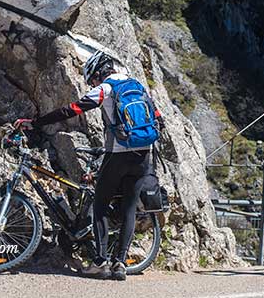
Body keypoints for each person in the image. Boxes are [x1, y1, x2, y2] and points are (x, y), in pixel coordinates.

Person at [14, 50, 162, 281]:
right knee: (130, 207)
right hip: (143, 156)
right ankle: (120, 264)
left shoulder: (106, 88)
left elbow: (72, 109)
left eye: (92, 78)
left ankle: (101, 262)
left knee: (101, 204)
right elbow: (157, 117)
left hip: (118, 154)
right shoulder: (138, 87)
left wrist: (36, 123)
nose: (93, 82)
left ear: (100, 73)